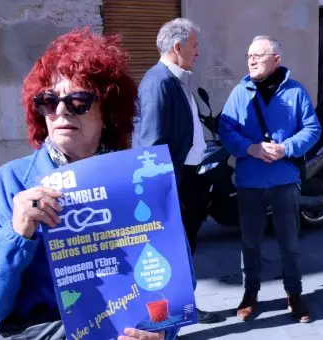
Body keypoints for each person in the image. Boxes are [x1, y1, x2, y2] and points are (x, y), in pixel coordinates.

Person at [0, 28, 167, 340]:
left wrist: (160, 333)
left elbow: (170, 281)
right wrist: (14, 234)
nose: (62, 110)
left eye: (78, 99)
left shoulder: (139, 180)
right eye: (49, 101)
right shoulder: (10, 184)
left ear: (106, 110)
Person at [218, 35, 321, 323]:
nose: (251, 60)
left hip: (284, 179)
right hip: (250, 180)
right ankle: (250, 294)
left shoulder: (296, 92)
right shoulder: (240, 93)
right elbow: (226, 130)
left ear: (276, 60)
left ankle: (295, 294)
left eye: (258, 56)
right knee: (250, 241)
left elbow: (312, 129)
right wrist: (249, 148)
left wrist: (287, 148)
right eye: (249, 55)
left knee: (289, 241)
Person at [132, 18, 218, 324]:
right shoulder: (158, 83)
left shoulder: (177, 80)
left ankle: (182, 307)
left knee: (184, 248)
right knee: (173, 252)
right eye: (194, 46)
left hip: (189, 178)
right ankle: (173, 314)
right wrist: (163, 193)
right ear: (177, 47)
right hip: (174, 183)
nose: (198, 53)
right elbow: (151, 144)